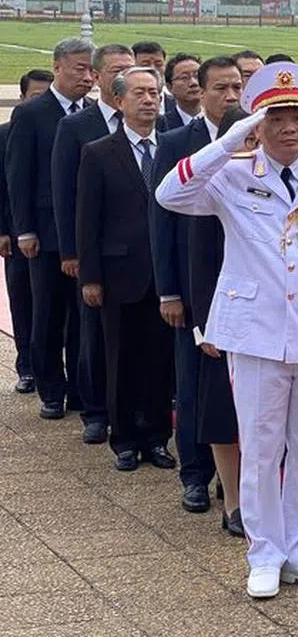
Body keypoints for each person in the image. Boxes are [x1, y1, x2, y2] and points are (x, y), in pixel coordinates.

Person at [155, 62, 298, 600]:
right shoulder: (232, 174)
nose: (290, 126)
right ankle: (264, 552)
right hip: (256, 332)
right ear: (256, 123)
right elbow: (168, 196)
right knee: (262, 447)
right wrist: (226, 144)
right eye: (276, 117)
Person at [150, 56, 243, 514]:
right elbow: (161, 220)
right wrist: (169, 290)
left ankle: (237, 484)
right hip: (193, 285)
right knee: (192, 386)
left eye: (236, 87)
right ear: (199, 92)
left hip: (243, 284)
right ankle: (195, 474)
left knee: (234, 391)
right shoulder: (176, 143)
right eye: (220, 88)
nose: (230, 96)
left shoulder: (252, 138)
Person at [76, 66, 176, 472]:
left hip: (164, 275)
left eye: (154, 93)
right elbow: (88, 219)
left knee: (160, 360)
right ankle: (125, 439)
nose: (149, 100)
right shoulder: (99, 152)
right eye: (140, 93)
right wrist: (91, 277)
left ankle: (157, 436)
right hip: (120, 274)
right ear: (120, 101)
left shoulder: (172, 148)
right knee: (121, 357)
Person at [51, 43, 135, 445]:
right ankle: (96, 411)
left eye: (131, 70)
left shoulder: (155, 122)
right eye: (117, 70)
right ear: (98, 77)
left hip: (135, 252)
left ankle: (132, 409)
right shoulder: (76, 126)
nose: (125, 76)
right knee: (93, 334)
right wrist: (72, 253)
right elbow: (66, 194)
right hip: (95, 250)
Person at [6, 37, 94, 421]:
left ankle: (78, 388)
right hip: (45, 232)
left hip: (84, 231)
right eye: (79, 68)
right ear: (57, 66)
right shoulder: (32, 114)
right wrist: (24, 229)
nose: (87, 77)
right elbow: (18, 175)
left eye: (91, 70)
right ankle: (50, 388)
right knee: (48, 312)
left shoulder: (92, 114)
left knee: (81, 316)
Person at [187, 105, 254, 538]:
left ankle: (262, 498)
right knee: (225, 416)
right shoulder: (215, 187)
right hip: (226, 320)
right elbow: (199, 263)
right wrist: (207, 326)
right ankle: (232, 500)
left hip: (270, 321)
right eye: (244, 140)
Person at [0, 68, 52, 395]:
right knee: (23, 299)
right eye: (37, 96)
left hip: (52, 231)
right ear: (22, 99)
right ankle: (27, 366)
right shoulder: (4, 134)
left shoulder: (62, 127)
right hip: (17, 231)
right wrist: (4, 229)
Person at [131, 41, 176, 116]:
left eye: (158, 64)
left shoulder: (176, 105)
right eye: (145, 65)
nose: (153, 69)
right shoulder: (125, 104)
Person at [163, 53, 202, 129]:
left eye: (197, 76)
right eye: (184, 77)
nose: (193, 83)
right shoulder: (162, 125)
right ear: (169, 87)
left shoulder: (219, 121)